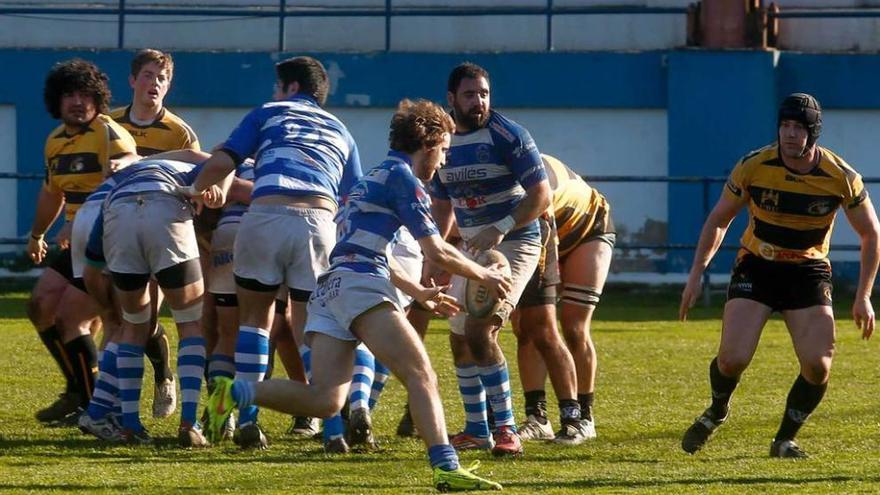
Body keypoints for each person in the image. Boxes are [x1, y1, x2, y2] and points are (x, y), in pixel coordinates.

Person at [204, 98, 507, 491]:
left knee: (326, 399)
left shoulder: (372, 179)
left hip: (329, 288)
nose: (444, 162)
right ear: (429, 142)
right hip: (359, 285)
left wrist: (416, 290)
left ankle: (236, 391)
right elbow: (437, 250)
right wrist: (485, 273)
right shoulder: (404, 179)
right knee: (421, 374)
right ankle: (447, 468)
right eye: (445, 150)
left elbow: (365, 247)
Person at [679, 93, 879, 458]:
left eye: (798, 128)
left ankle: (784, 439)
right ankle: (718, 410)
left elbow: (871, 233)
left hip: (807, 271)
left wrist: (864, 295)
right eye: (785, 126)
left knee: (818, 366)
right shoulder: (754, 165)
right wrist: (696, 273)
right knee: (732, 359)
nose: (789, 135)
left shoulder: (841, 177)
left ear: (813, 132)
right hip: (758, 264)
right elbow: (719, 219)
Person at [186, 55, 362, 449]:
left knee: (255, 319)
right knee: (313, 328)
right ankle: (333, 430)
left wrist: (196, 188)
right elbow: (352, 196)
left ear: (292, 88)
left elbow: (225, 160)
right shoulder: (340, 128)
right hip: (319, 222)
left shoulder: (269, 112)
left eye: (277, 86)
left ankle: (248, 422)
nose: (274, 92)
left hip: (265, 216)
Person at [428, 62, 550, 457]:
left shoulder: (508, 134)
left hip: (515, 240)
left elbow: (541, 195)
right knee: (459, 336)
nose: (479, 101)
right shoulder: (441, 141)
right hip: (471, 247)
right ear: (451, 99)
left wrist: (500, 226)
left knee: (481, 331)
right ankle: (477, 429)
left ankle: (507, 429)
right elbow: (443, 205)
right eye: (469, 94)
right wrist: (436, 259)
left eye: (483, 93)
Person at [78, 153, 231, 447]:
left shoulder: (123, 179)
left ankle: (129, 425)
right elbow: (225, 163)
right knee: (192, 324)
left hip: (115, 215)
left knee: (133, 326)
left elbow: (92, 266)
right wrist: (216, 191)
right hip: (167, 209)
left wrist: (107, 309)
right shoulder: (199, 167)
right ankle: (192, 421)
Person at [28, 58, 138, 425]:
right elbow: (52, 193)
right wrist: (37, 234)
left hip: (106, 240)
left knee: (69, 317)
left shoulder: (108, 131)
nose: (78, 102)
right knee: (39, 306)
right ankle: (78, 389)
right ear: (56, 101)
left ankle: (94, 407)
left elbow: (129, 159)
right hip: (73, 240)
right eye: (69, 94)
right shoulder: (55, 141)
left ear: (98, 99)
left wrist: (124, 163)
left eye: (85, 94)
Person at [109, 48, 202, 419]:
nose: (155, 84)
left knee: (144, 317)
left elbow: (197, 179)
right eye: (148, 75)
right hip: (117, 226)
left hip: (165, 227)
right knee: (127, 319)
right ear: (133, 81)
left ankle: (151, 388)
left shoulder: (179, 132)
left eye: (162, 78)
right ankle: (122, 399)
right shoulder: (110, 125)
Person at [512, 154, 615, 443]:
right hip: (543, 230)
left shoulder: (533, 180)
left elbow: (542, 238)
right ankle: (537, 417)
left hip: (587, 230)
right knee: (525, 327)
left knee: (572, 326)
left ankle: (584, 417)